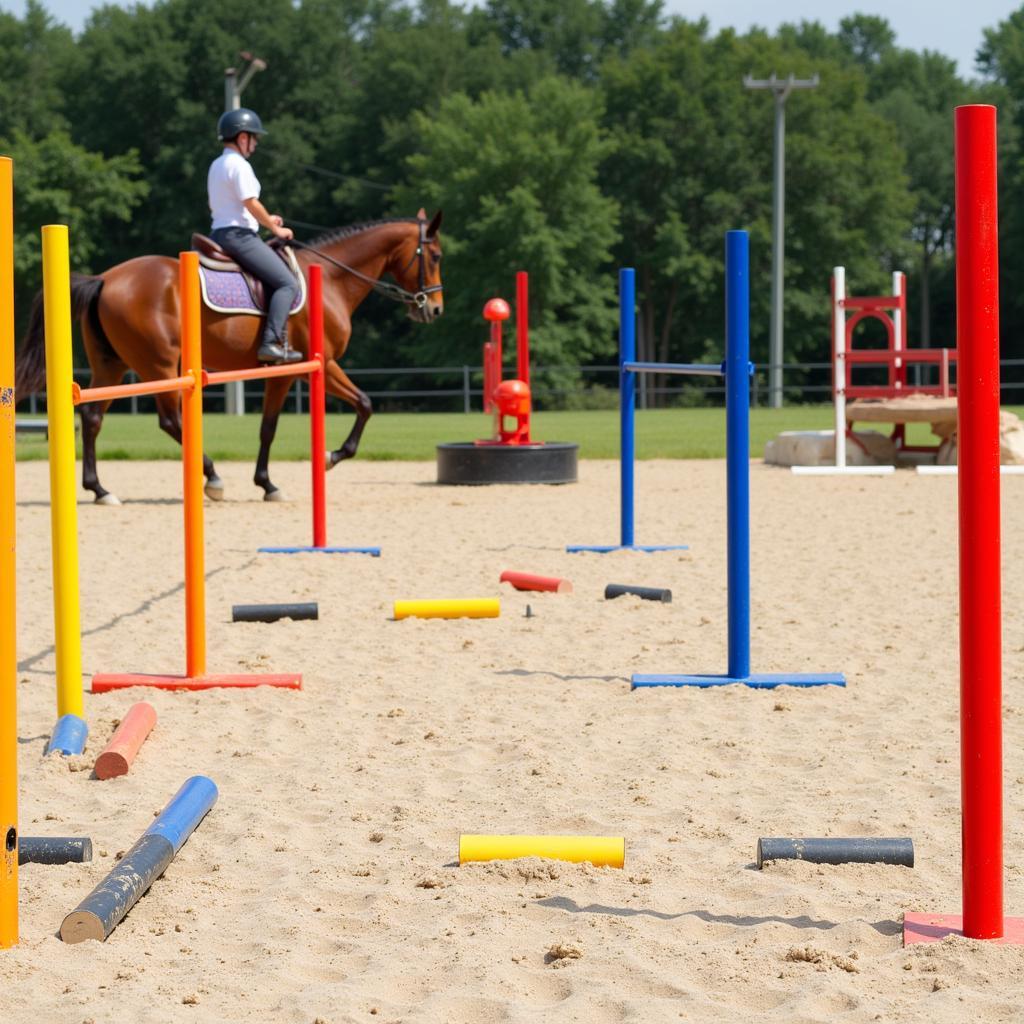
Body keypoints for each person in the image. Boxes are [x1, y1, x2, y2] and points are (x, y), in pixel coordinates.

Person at [208, 108, 302, 364]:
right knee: (287, 283)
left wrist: (267, 220)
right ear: (242, 138)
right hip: (240, 237)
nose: (256, 144)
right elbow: (250, 203)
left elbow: (226, 205)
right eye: (254, 138)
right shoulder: (240, 165)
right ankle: (272, 342)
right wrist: (276, 229)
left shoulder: (217, 165)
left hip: (218, 233)